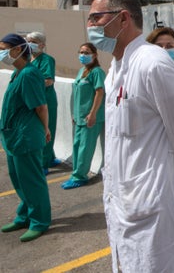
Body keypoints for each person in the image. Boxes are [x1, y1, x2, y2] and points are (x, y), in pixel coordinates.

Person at [85, 0, 174, 272]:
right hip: (125, 201)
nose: (90, 25)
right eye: (90, 19)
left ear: (123, 18)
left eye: (96, 18)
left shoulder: (153, 64)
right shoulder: (114, 70)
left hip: (152, 203)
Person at [0, 33, 52, 242]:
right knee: (19, 179)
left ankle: (40, 221)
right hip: (14, 136)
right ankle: (24, 216)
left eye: (3, 48)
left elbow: (41, 106)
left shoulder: (29, 74)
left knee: (32, 181)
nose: (1, 53)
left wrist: (45, 129)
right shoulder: (18, 72)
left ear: (16, 50)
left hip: (26, 137)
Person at [61, 42, 106, 190]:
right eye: (81, 52)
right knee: (77, 145)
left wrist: (92, 113)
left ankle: (80, 176)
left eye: (86, 53)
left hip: (91, 117)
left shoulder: (97, 72)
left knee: (85, 148)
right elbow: (77, 94)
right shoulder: (82, 71)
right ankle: (76, 173)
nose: (83, 55)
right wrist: (74, 114)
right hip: (79, 117)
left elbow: (99, 92)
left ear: (94, 55)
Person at [26, 31, 60, 173]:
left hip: (46, 100)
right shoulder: (29, 60)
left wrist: (32, 85)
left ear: (42, 44)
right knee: (39, 130)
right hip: (35, 100)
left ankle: (44, 164)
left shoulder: (47, 60)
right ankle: (50, 158)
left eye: (33, 41)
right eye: (28, 41)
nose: (29, 44)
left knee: (46, 130)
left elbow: (48, 80)